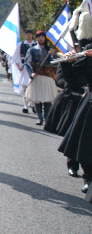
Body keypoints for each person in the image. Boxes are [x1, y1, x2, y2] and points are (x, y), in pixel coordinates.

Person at [59, 41, 92, 196]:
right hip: (90, 104)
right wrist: (67, 62)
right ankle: (88, 178)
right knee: (86, 143)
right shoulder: (89, 50)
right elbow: (72, 78)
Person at [24, 31, 58, 126]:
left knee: (47, 99)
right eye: (39, 37)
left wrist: (53, 54)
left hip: (47, 76)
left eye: (42, 37)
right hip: (37, 76)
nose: (41, 39)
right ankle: (39, 117)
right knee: (37, 98)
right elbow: (27, 63)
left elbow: (55, 62)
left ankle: (47, 118)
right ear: (36, 39)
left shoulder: (49, 50)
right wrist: (31, 73)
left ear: (45, 38)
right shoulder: (32, 50)